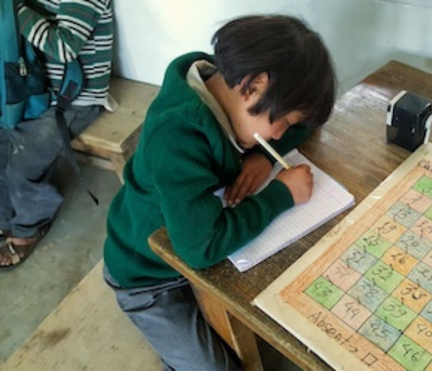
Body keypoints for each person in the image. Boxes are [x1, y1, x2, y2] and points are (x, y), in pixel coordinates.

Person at [102, 15, 336, 370]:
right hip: (145, 273)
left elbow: (306, 125)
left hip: (194, 244)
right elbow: (199, 248)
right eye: (283, 122)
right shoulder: (178, 134)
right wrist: (280, 195)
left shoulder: (224, 89)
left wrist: (258, 155)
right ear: (254, 85)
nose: (280, 135)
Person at [0, 0, 115, 268]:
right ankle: (5, 219)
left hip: (74, 98)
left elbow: (63, 47)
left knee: (23, 164)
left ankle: (28, 228)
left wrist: (13, 6)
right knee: (4, 144)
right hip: (36, 89)